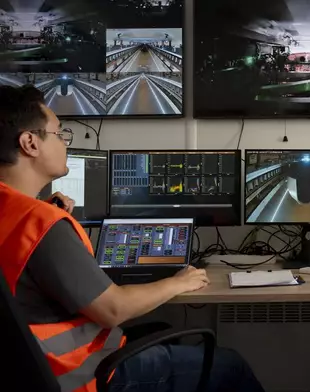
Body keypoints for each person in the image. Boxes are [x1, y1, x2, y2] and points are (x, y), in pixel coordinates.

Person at [0, 85, 265, 392]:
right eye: (60, 133)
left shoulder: (22, 216)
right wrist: (179, 282)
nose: (65, 143)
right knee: (230, 365)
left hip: (26, 372)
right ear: (30, 143)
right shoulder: (42, 225)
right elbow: (114, 310)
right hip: (86, 376)